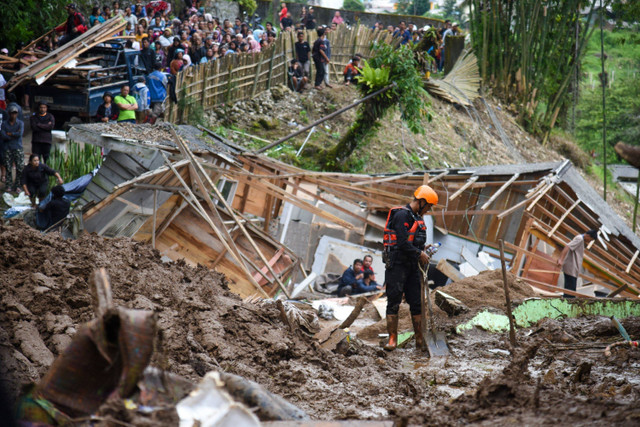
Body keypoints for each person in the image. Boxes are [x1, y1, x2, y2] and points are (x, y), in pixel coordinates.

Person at [382, 185, 439, 351]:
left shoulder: (417, 218)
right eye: (428, 206)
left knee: (416, 302)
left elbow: (413, 241)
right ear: (421, 202)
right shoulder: (401, 215)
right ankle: (392, 339)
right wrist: (418, 253)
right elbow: (401, 242)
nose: (428, 210)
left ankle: (420, 340)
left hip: (412, 266)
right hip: (397, 264)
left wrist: (423, 248)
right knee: (394, 300)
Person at [557, 230, 598, 297]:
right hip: (571, 268)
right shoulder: (579, 239)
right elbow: (568, 246)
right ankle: (568, 305)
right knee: (570, 292)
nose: (589, 241)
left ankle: (568, 303)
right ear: (588, 236)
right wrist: (561, 259)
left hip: (572, 268)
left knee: (570, 291)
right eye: (590, 240)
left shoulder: (580, 239)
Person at [1, 105, 25, 192]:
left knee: (19, 167)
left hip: (18, 147)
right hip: (7, 148)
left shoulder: (20, 123)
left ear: (17, 114)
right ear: (9, 113)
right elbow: (3, 135)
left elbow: (20, 134)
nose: (13, 115)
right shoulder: (4, 123)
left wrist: (10, 134)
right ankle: (9, 185)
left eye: (15, 113)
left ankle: (18, 185)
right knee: (8, 167)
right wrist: (14, 134)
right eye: (12, 113)